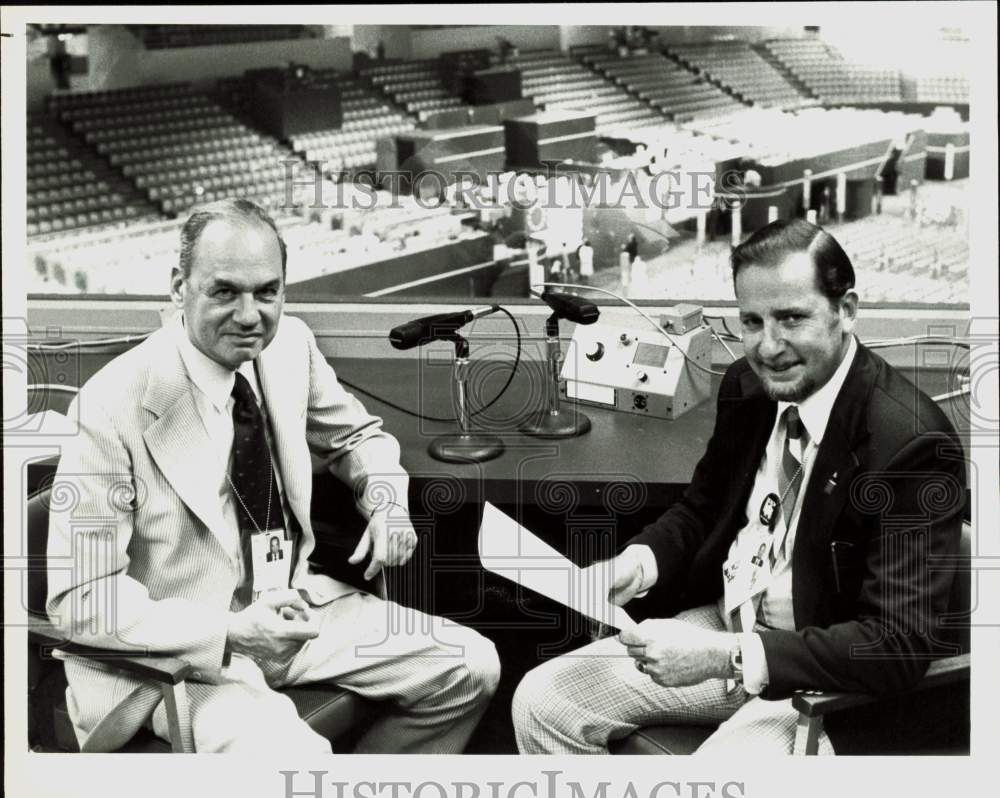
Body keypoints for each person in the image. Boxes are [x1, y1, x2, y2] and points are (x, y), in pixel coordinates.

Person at [46, 199, 500, 754]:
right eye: (224, 292)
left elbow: (359, 438)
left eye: (267, 292)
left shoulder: (289, 347)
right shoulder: (110, 405)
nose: (249, 315)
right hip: (178, 654)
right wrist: (233, 632)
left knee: (471, 667)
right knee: (299, 761)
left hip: (289, 606)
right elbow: (82, 602)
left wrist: (387, 502)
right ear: (177, 287)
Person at [513, 218, 965, 755]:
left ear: (846, 310)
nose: (768, 346)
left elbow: (895, 645)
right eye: (752, 321)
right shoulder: (749, 387)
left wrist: (726, 655)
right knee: (544, 700)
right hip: (728, 624)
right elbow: (702, 509)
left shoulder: (910, 442)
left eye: (791, 319)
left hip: (821, 676)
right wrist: (637, 564)